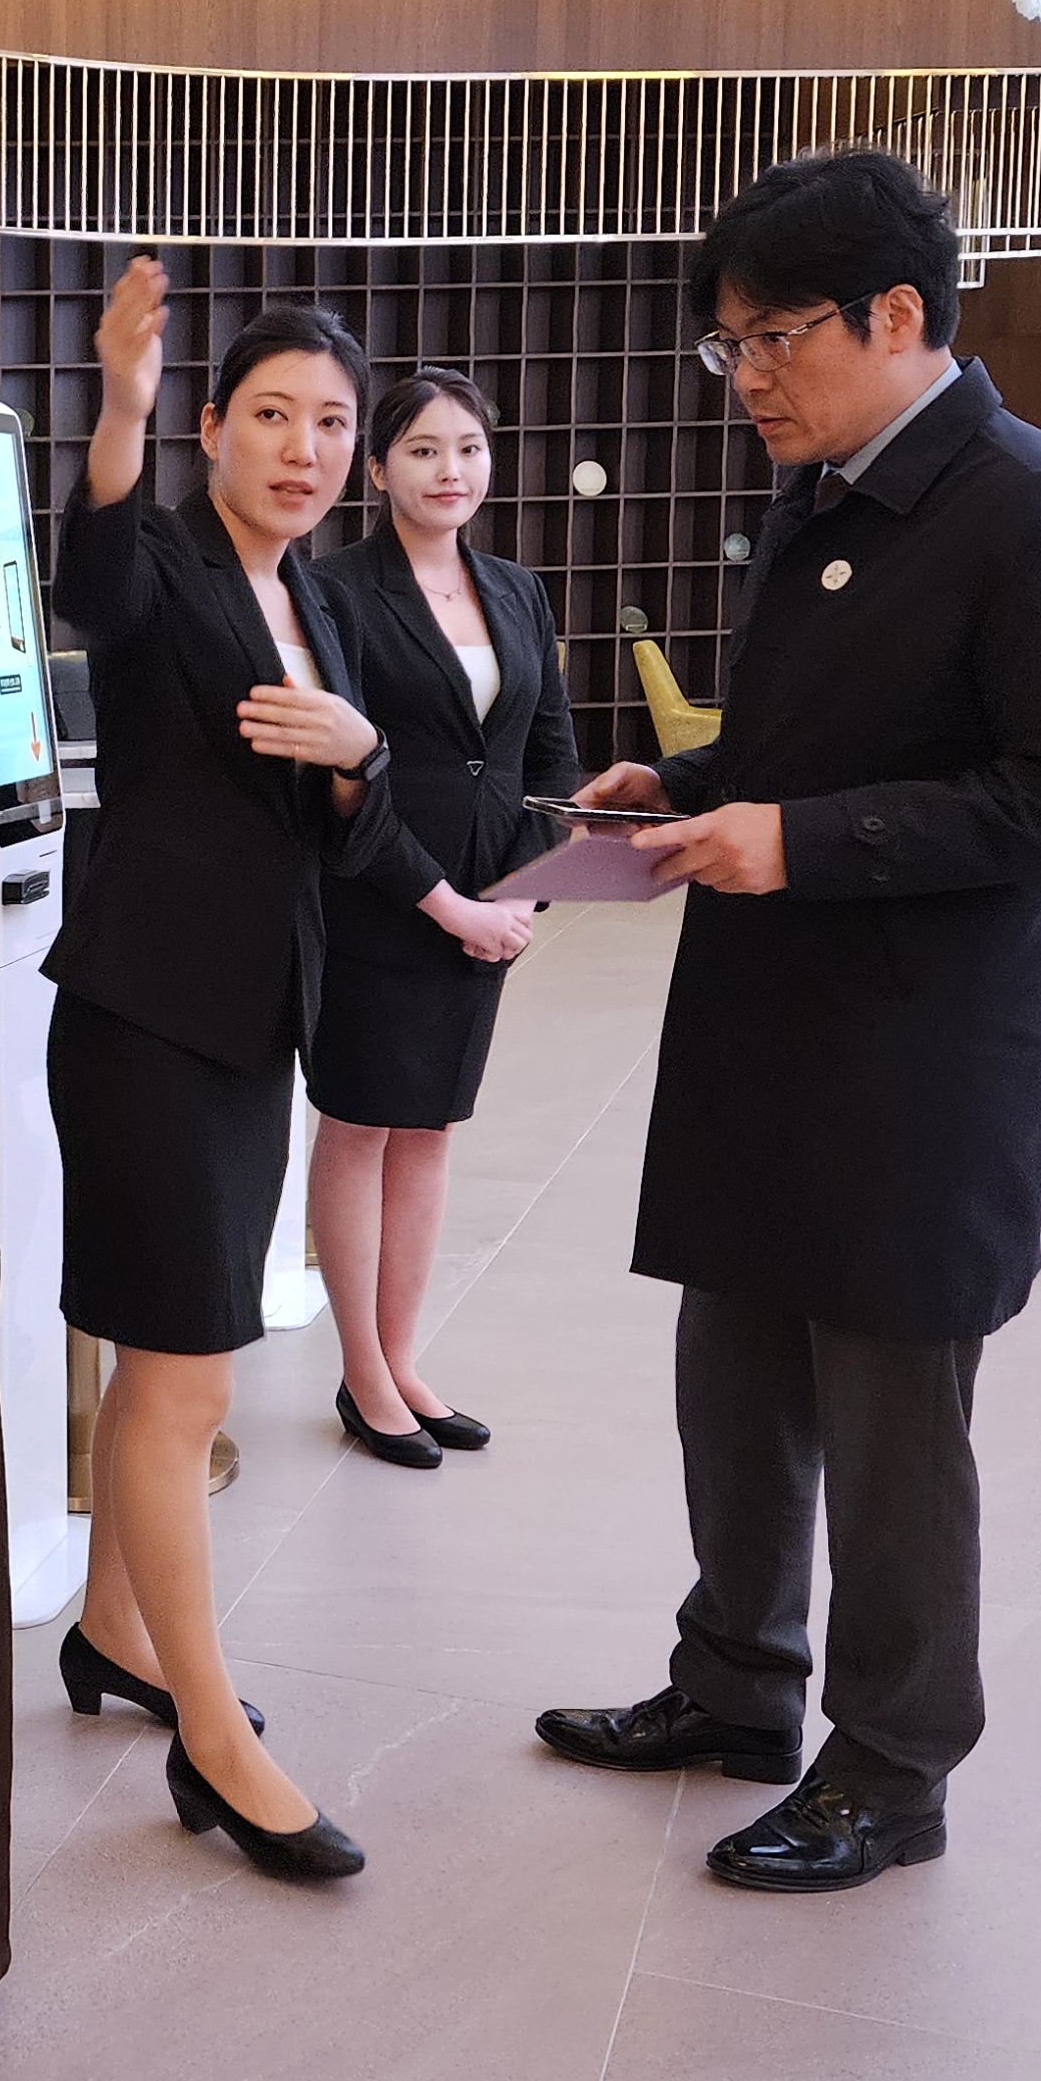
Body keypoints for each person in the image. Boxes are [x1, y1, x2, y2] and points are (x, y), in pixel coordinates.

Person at [531, 149, 1041, 1894]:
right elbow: (847, 731)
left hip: (917, 1053)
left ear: (897, 314)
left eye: (773, 337)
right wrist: (697, 784)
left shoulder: (1034, 506)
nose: (747, 377)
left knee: (889, 1431)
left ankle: (893, 1766)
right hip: (771, 1024)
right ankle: (738, 1684)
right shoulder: (822, 493)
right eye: (727, 345)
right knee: (734, 1381)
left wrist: (798, 841)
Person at [46, 270, 397, 1887]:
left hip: (253, 1027)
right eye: (271, 415)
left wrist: (365, 760)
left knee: (167, 1362)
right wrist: (116, 405)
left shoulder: (320, 602)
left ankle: (114, 1633)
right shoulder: (170, 564)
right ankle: (209, 1732)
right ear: (210, 429)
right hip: (146, 1022)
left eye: (330, 422)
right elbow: (93, 582)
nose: (303, 448)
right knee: (188, 1380)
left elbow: (353, 826)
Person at [305, 368, 583, 1464]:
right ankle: (362, 1374)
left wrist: (519, 892)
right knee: (361, 1124)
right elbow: (343, 783)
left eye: (467, 448)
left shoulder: (516, 589)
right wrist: (448, 904)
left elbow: (547, 754)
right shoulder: (334, 592)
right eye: (422, 450)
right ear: (377, 470)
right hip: (382, 897)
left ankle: (403, 1357)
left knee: (430, 1129)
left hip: (486, 908)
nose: (450, 469)